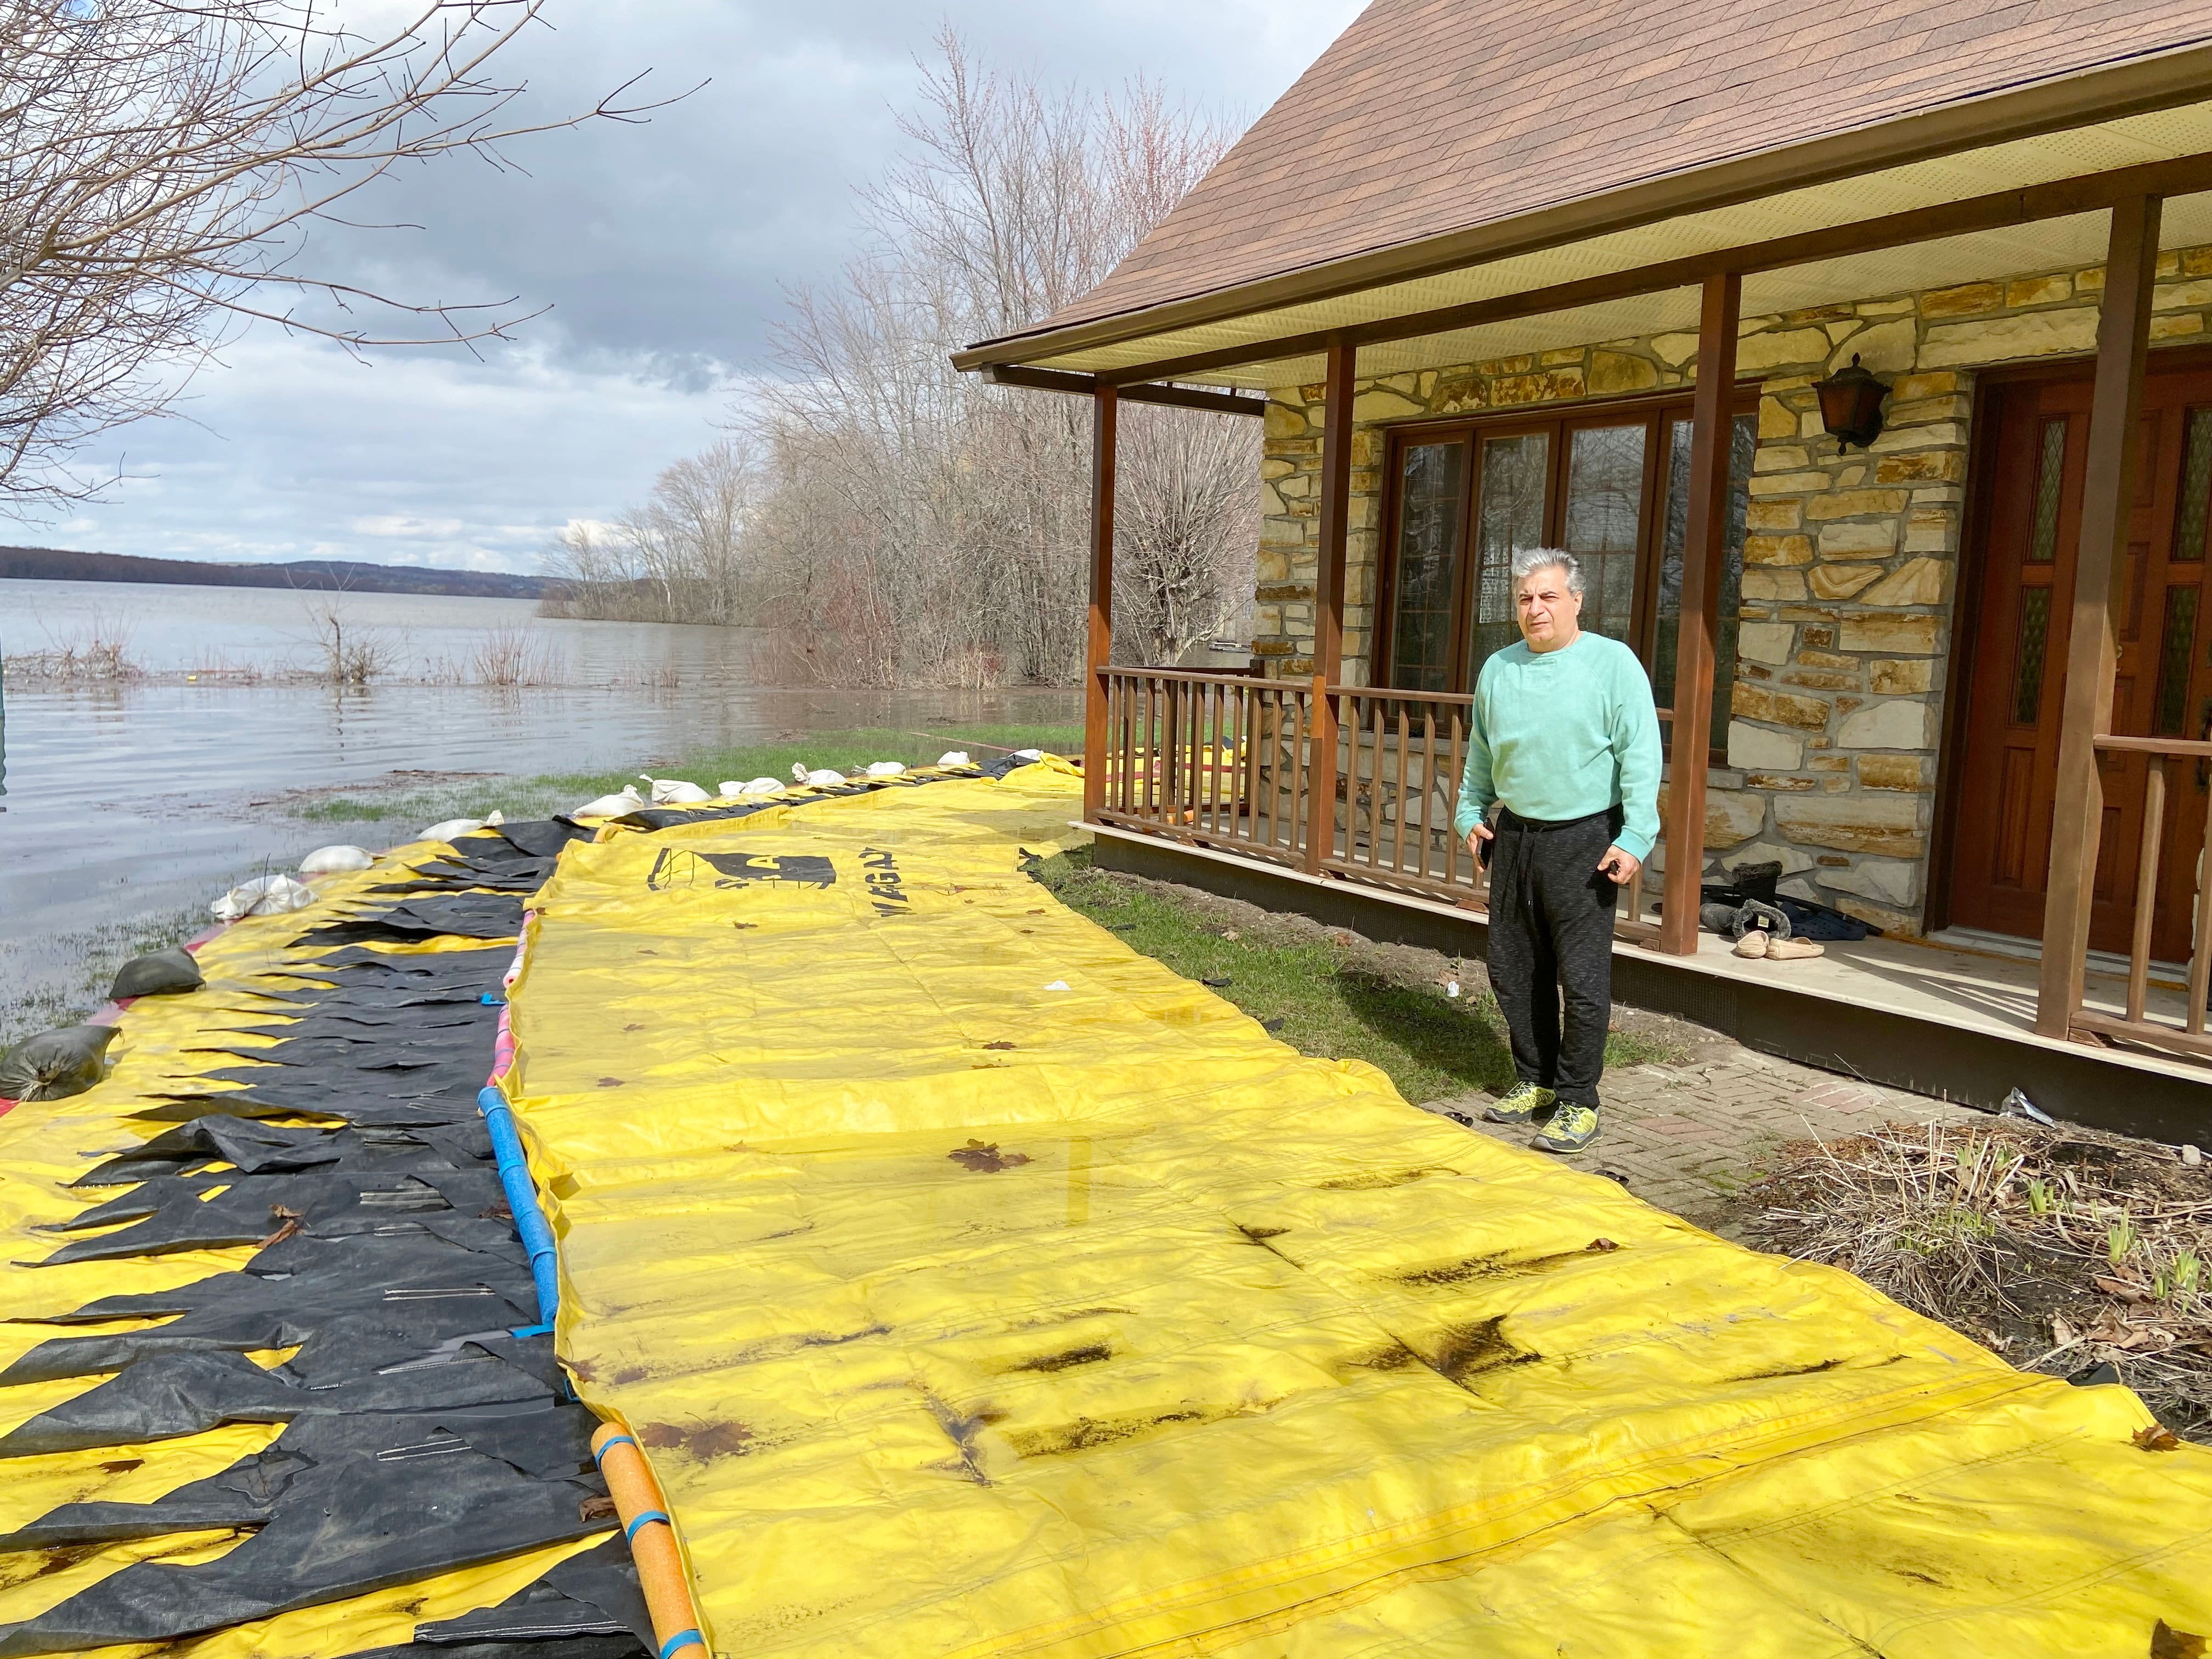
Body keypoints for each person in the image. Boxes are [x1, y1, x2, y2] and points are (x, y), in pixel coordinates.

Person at [1454, 549, 1661, 1154]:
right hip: (1515, 836)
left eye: (1548, 596)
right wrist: (1471, 814)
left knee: (1583, 975)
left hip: (1587, 839)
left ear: (1576, 601)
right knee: (1514, 970)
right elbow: (1482, 758)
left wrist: (1635, 837)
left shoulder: (1613, 664)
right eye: (1525, 598)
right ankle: (1535, 1079)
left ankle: (1577, 1100)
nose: (1535, 608)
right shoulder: (1498, 668)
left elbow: (1641, 758)